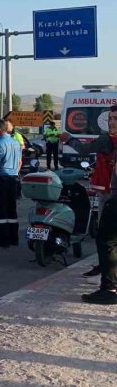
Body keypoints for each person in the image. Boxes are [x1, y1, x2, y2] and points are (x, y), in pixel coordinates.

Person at [60, 104, 117, 305]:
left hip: (109, 193)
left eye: (115, 119)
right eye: (110, 118)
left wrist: (69, 139)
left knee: (106, 238)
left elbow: (84, 149)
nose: (111, 122)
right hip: (109, 190)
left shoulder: (106, 139)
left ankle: (108, 282)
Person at [0, 119, 23, 247]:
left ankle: (3, 238)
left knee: (1, 210)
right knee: (12, 209)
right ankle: (14, 238)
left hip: (1, 179)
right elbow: (19, 162)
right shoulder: (15, 142)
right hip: (13, 178)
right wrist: (14, 174)